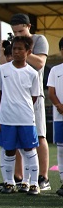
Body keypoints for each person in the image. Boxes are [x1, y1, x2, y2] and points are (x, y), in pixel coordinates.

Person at [3, 14, 50, 191]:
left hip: (34, 95)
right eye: (14, 32)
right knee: (15, 138)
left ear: (29, 26)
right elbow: (3, 66)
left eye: (21, 31)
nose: (18, 35)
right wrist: (7, 49)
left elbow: (40, 63)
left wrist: (22, 50)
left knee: (39, 136)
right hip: (13, 98)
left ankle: (43, 177)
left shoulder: (39, 40)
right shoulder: (13, 44)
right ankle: (18, 177)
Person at [0, 35, 41, 195]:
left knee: (29, 149)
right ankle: (9, 182)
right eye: (14, 48)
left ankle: (34, 183)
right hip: (7, 118)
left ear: (28, 52)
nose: (16, 52)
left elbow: (34, 97)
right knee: (9, 150)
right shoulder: (2, 70)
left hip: (26, 118)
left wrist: (22, 107)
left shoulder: (32, 73)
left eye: (20, 49)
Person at [46, 37, 63, 196]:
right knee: (61, 150)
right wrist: (59, 105)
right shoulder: (55, 70)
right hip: (60, 116)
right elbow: (51, 92)